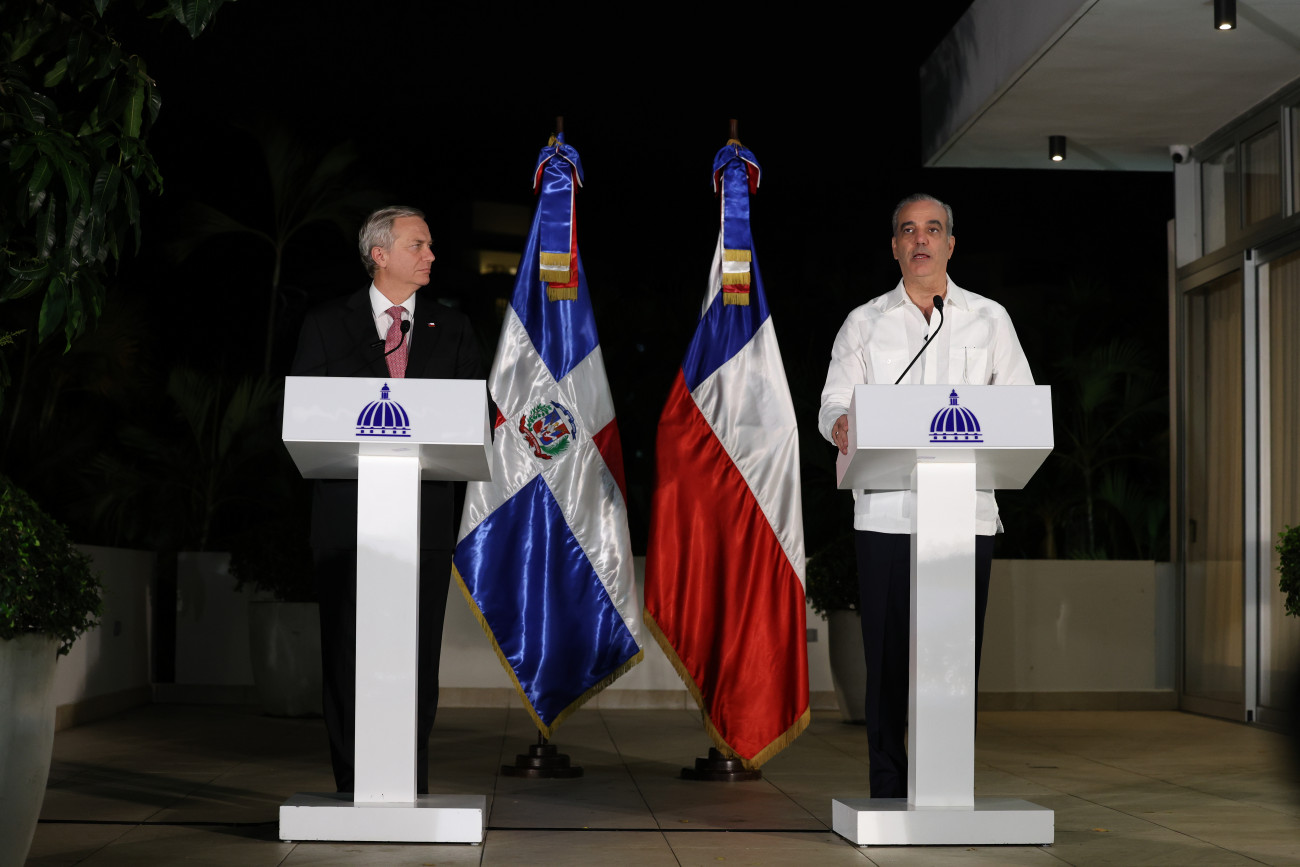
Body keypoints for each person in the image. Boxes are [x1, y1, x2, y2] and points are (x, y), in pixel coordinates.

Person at [818, 193, 1034, 799]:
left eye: (933, 229)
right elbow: (833, 400)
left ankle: (947, 787)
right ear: (894, 246)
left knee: (954, 659)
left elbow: (1019, 405)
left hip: (966, 516)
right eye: (909, 230)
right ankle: (888, 787)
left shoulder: (990, 319)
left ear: (950, 244)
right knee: (886, 662)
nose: (921, 239)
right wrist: (840, 423)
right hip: (886, 513)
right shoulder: (865, 323)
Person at [290, 205, 484, 794]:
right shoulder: (327, 324)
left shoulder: (453, 327)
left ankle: (407, 781)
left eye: (430, 245)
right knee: (345, 651)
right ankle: (352, 782)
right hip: (344, 521)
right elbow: (304, 414)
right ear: (380, 254)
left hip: (424, 523)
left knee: (417, 655)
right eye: (418, 245)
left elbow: (472, 420)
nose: (431, 255)